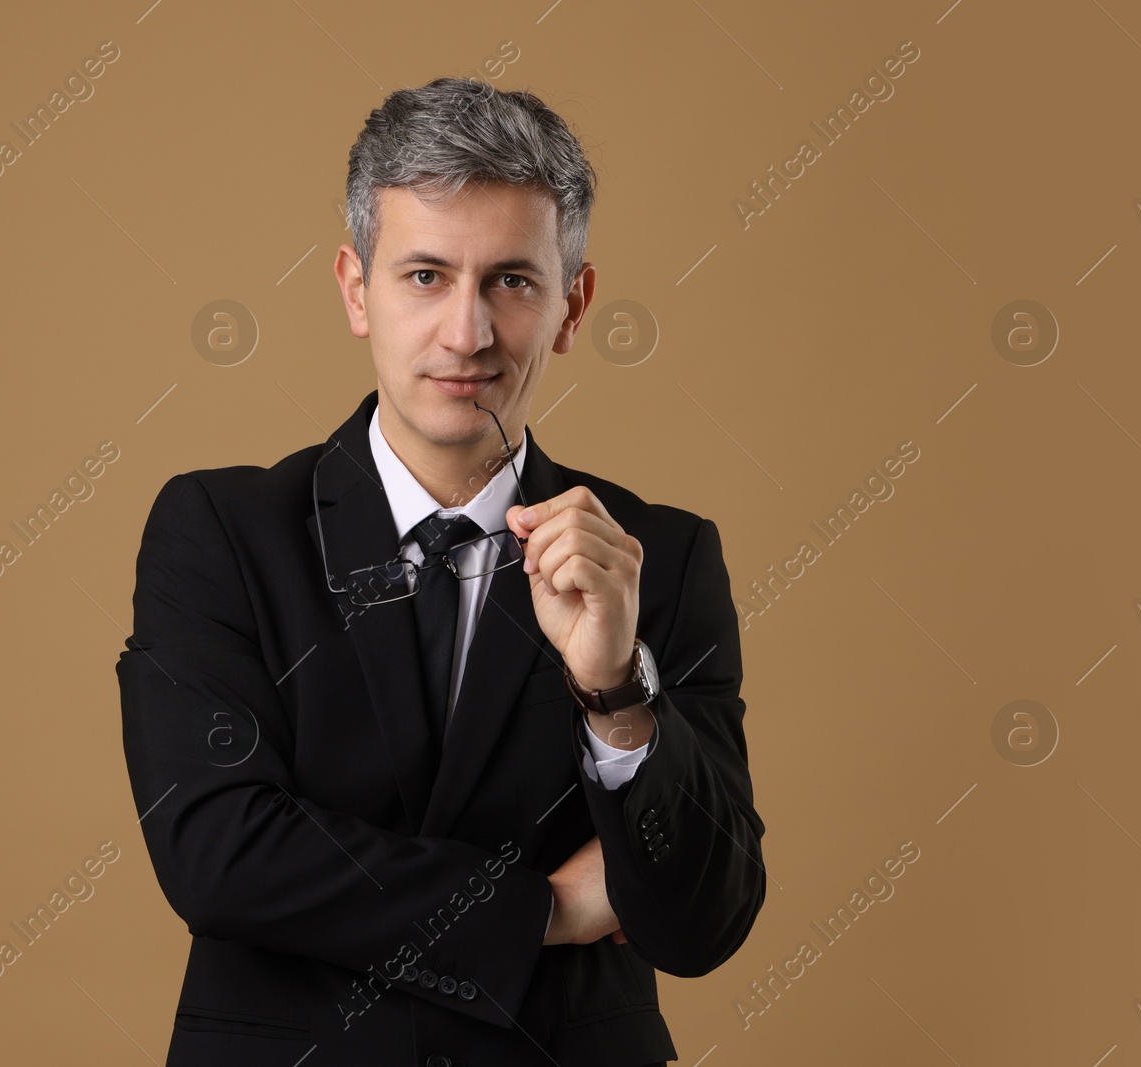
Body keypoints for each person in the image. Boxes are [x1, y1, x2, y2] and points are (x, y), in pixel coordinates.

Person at [118, 75, 766, 1067]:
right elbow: (219, 853)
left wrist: (614, 692)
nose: (467, 334)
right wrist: (540, 909)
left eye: (511, 280)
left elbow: (700, 921)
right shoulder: (222, 531)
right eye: (425, 275)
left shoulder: (657, 556)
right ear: (353, 289)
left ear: (571, 303)